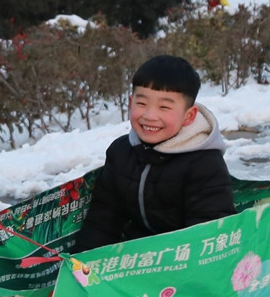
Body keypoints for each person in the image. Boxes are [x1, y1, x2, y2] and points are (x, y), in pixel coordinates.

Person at [71, 56, 237, 254]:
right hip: (139, 254)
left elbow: (208, 233)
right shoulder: (121, 152)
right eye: (141, 103)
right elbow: (103, 218)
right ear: (131, 102)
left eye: (164, 107)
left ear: (189, 115)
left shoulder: (204, 163)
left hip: (183, 258)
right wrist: (82, 264)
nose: (149, 116)